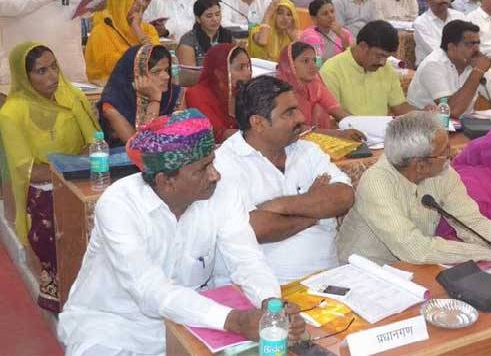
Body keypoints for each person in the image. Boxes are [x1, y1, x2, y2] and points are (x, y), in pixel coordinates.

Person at [58, 109, 306, 355]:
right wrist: (235, 321)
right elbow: (149, 290)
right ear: (165, 180)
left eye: (212, 162)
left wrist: (271, 306)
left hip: (191, 321)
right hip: (113, 327)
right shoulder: (120, 204)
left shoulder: (223, 193)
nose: (215, 175)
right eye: (202, 169)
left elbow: (247, 259)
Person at [337, 111, 491, 265]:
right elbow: (415, 249)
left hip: (413, 269)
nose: (452, 153)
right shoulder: (377, 182)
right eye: (444, 151)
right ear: (420, 165)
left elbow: (469, 220)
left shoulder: (442, 172)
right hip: (364, 272)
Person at [212, 75, 354, 283]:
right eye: (289, 112)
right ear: (258, 123)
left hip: (330, 278)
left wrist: (279, 206)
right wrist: (314, 212)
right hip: (266, 288)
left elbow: (344, 196)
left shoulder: (307, 150)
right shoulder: (224, 163)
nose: (301, 118)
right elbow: (253, 228)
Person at [0, 42, 98, 312]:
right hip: (45, 189)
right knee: (53, 214)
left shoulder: (72, 96)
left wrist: (73, 162)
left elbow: (96, 144)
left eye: (54, 67)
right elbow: (30, 171)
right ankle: (63, 297)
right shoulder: (11, 113)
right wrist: (78, 161)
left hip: (81, 179)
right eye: (41, 71)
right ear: (25, 77)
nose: (53, 76)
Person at [408, 20, 491, 116]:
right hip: (425, 123)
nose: (476, 49)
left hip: (463, 123)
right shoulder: (433, 65)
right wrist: (477, 72)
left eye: (478, 43)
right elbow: (451, 111)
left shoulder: (476, 62)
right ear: (451, 47)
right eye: (470, 44)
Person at [321, 20, 416, 116]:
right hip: (348, 125)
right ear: (363, 47)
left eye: (386, 58)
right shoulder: (331, 70)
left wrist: (421, 116)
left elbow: (399, 106)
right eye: (379, 56)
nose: (383, 63)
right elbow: (332, 114)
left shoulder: (387, 69)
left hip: (380, 125)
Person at [277, 42, 364, 141]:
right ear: (289, 65)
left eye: (314, 60)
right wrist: (338, 134)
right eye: (305, 61)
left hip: (310, 140)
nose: (313, 66)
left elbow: (338, 112)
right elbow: (295, 128)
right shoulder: (278, 91)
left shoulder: (315, 85)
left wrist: (361, 127)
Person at [99, 45, 183, 146]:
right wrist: (154, 100)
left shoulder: (174, 94)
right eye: (156, 72)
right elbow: (140, 146)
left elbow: (181, 138)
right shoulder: (112, 106)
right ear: (135, 76)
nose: (167, 76)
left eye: (166, 70)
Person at [85, 0, 159, 84]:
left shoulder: (148, 29)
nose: (141, 3)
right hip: (110, 84)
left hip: (145, 83)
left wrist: (138, 30)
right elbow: (115, 66)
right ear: (119, 5)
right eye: (134, 0)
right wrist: (144, 61)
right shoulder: (101, 31)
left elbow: (158, 58)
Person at [186, 44, 251, 143]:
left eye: (248, 66)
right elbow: (219, 134)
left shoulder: (243, 91)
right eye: (240, 67)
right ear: (219, 72)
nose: (248, 73)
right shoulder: (197, 94)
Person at [413, 0, 467, 65]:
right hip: (431, 66)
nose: (444, 0)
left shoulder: (459, 16)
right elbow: (436, 51)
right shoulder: (420, 23)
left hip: (459, 63)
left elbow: (469, 41)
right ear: (428, 0)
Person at [177, 0, 233, 74]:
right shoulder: (188, 40)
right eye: (209, 16)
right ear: (198, 19)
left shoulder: (228, 36)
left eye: (217, 14)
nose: (215, 19)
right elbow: (189, 74)